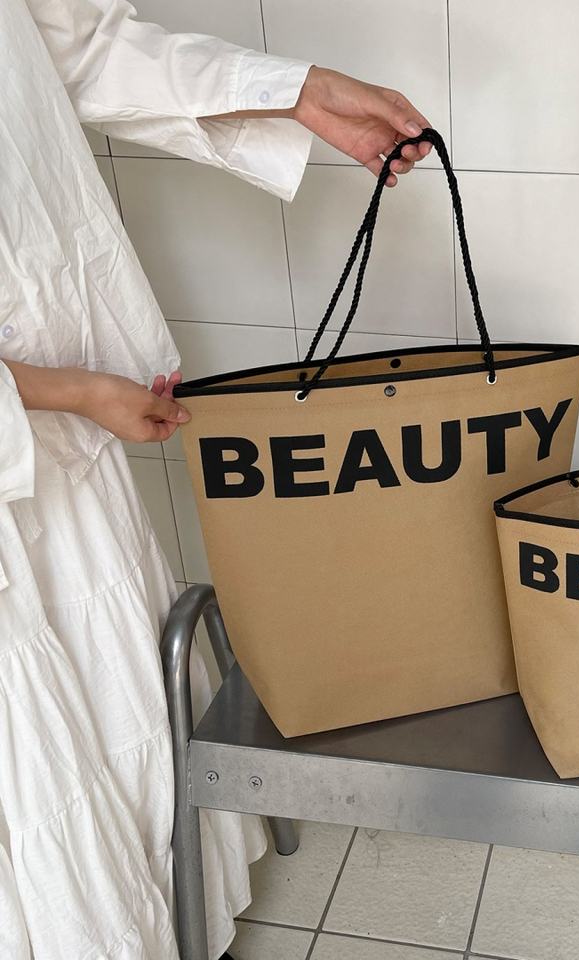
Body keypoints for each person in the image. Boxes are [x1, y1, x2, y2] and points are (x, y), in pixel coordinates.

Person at [0, 2, 432, 958]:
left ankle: (167, 923)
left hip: (57, 389)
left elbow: (81, 42)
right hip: (41, 406)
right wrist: (73, 391)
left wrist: (299, 92)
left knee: (105, 679)